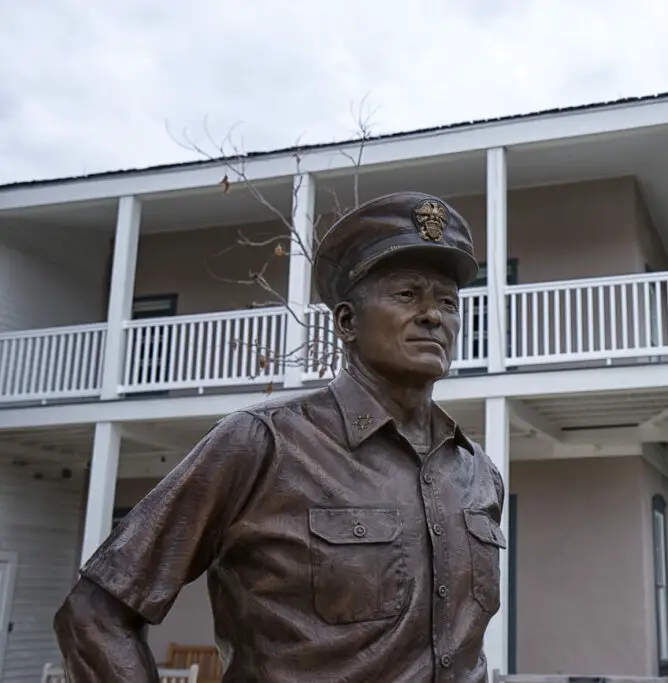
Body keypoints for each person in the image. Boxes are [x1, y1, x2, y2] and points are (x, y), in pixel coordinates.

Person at [54, 191, 507, 683]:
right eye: (406, 295)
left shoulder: (476, 472)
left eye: (447, 302)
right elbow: (94, 615)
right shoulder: (260, 444)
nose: (433, 316)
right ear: (346, 322)